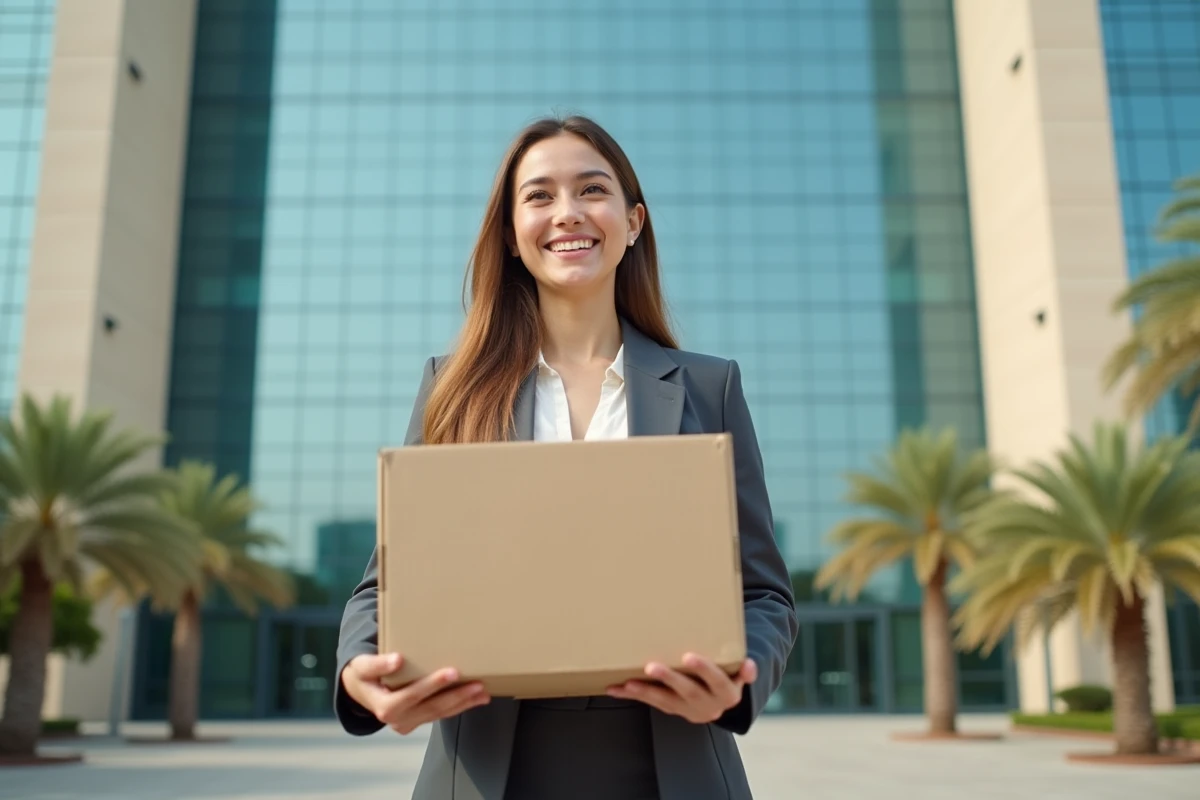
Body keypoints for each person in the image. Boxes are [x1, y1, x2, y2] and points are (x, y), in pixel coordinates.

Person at [335, 114, 798, 800]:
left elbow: (764, 593)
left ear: (633, 222)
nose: (568, 213)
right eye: (540, 196)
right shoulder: (452, 386)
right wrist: (359, 669)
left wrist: (737, 680)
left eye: (591, 190)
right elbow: (388, 584)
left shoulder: (710, 386)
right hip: (491, 768)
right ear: (511, 237)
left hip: (673, 765)